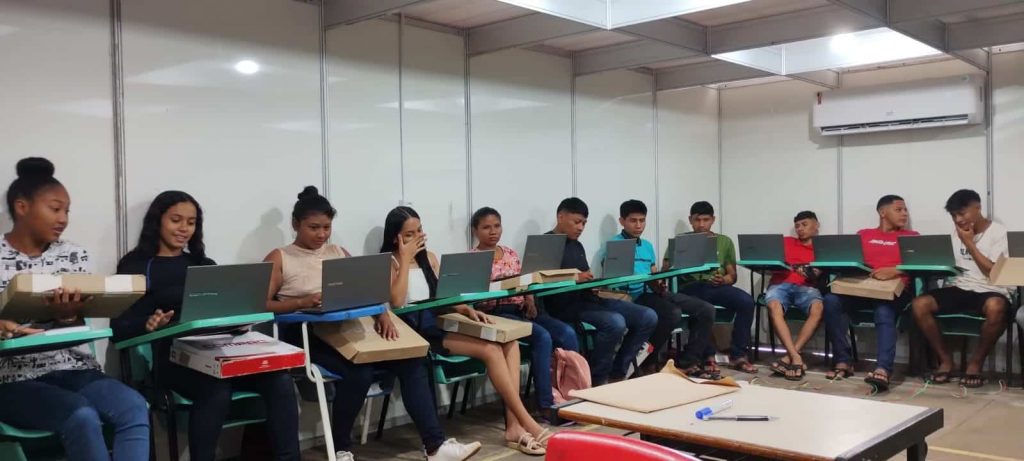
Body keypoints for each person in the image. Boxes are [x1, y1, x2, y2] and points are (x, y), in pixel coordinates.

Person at [264, 187, 480, 461]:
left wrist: (382, 314)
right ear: (296, 224)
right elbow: (262, 305)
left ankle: (435, 447)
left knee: (412, 360)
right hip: (306, 334)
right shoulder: (280, 257)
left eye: (326, 227)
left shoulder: (338, 252)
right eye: (313, 228)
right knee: (359, 373)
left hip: (348, 330)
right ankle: (341, 448)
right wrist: (301, 302)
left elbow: (366, 289)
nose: (321, 234)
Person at [112, 191, 300, 461]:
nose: (184, 228)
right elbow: (119, 328)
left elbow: (223, 312)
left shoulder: (203, 264)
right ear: (157, 220)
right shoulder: (137, 265)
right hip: (173, 360)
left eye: (191, 222)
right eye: (176, 220)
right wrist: (148, 323)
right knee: (216, 387)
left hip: (220, 352)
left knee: (279, 379)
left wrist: (240, 320)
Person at [0, 157, 150, 461]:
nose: (63, 219)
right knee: (80, 415)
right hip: (12, 379)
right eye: (55, 209)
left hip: (74, 368)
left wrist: (68, 315)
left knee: (133, 406)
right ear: (22, 207)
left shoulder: (74, 255)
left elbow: (77, 326)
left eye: (67, 211)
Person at [383, 206, 547, 456]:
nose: (417, 238)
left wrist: (465, 309)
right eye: (409, 234)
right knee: (491, 350)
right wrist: (405, 258)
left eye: (419, 231)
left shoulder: (430, 259)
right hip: (413, 332)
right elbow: (396, 301)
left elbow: (442, 297)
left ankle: (514, 426)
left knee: (510, 342)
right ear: (395, 237)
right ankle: (528, 423)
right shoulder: (390, 262)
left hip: (436, 324)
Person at [469, 207, 578, 423]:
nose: (493, 231)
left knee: (567, 333)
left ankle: (572, 396)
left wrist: (529, 299)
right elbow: (473, 295)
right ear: (475, 231)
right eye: (486, 227)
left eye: (497, 226)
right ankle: (545, 405)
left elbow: (524, 280)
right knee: (542, 337)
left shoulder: (510, 253)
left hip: (522, 310)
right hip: (497, 314)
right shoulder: (472, 258)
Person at [542, 198, 657, 385]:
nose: (580, 228)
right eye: (576, 222)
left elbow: (584, 274)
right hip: (563, 306)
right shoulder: (546, 244)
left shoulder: (577, 245)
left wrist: (590, 282)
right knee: (615, 322)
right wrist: (574, 278)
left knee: (647, 316)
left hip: (589, 299)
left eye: (584, 223)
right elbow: (538, 279)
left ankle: (618, 372)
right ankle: (597, 378)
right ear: (560, 217)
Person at [911, 189, 1011, 388]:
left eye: (962, 213)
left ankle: (975, 364)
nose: (958, 220)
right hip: (960, 287)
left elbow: (992, 272)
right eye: (953, 215)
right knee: (919, 304)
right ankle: (946, 361)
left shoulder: (998, 232)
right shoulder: (954, 233)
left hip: (990, 289)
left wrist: (969, 244)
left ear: (978, 208)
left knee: (996, 307)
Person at [607, 200, 716, 378]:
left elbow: (653, 272)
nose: (638, 225)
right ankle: (647, 362)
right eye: (633, 221)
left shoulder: (647, 246)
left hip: (653, 291)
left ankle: (687, 362)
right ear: (622, 221)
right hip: (632, 296)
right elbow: (612, 278)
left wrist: (658, 282)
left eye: (642, 220)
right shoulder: (614, 245)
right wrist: (648, 281)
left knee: (706, 309)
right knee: (672, 313)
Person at [822, 195, 918, 390]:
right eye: (898, 210)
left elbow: (921, 265)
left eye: (905, 210)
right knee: (831, 300)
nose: (904, 214)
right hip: (861, 288)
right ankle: (843, 360)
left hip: (892, 292)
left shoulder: (912, 237)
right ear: (883, 212)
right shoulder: (863, 234)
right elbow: (849, 260)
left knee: (883, 310)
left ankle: (883, 369)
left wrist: (895, 270)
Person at [671, 201, 758, 374]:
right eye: (697, 220)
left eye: (706, 220)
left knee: (747, 302)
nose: (701, 224)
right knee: (702, 307)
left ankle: (738, 355)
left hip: (716, 286)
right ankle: (707, 355)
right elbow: (667, 269)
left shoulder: (724, 242)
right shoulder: (681, 240)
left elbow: (732, 275)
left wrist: (723, 279)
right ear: (690, 220)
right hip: (690, 286)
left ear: (713, 220)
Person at [765, 211, 825, 381]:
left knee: (818, 308)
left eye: (804, 224)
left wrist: (808, 272)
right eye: (797, 226)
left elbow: (818, 273)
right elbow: (769, 263)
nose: (800, 229)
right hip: (780, 284)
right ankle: (796, 357)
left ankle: (789, 356)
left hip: (806, 287)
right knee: (774, 306)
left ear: (816, 225)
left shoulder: (822, 247)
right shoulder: (785, 242)